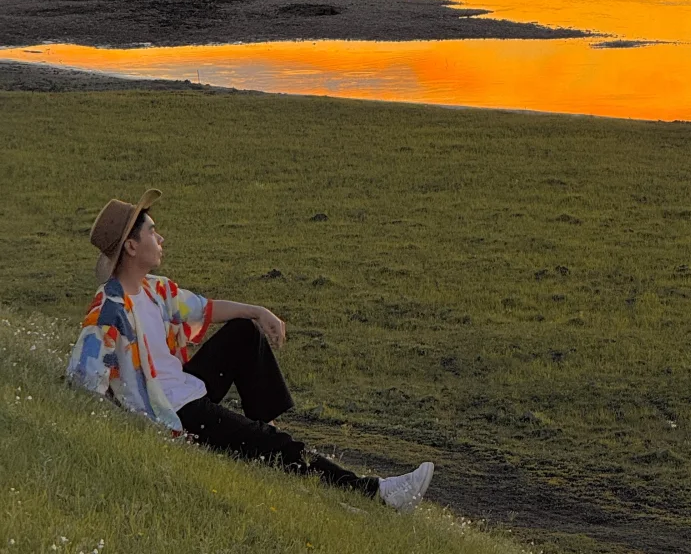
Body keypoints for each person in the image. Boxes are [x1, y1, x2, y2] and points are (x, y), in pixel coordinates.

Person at [66, 188, 434, 512]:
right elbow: (83, 381)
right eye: (151, 231)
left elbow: (205, 308)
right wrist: (138, 426)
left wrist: (258, 311)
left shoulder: (154, 289)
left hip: (184, 387)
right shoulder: (109, 311)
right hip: (174, 412)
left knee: (244, 331)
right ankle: (377, 493)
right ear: (132, 247)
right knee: (275, 446)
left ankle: (264, 428)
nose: (160, 237)